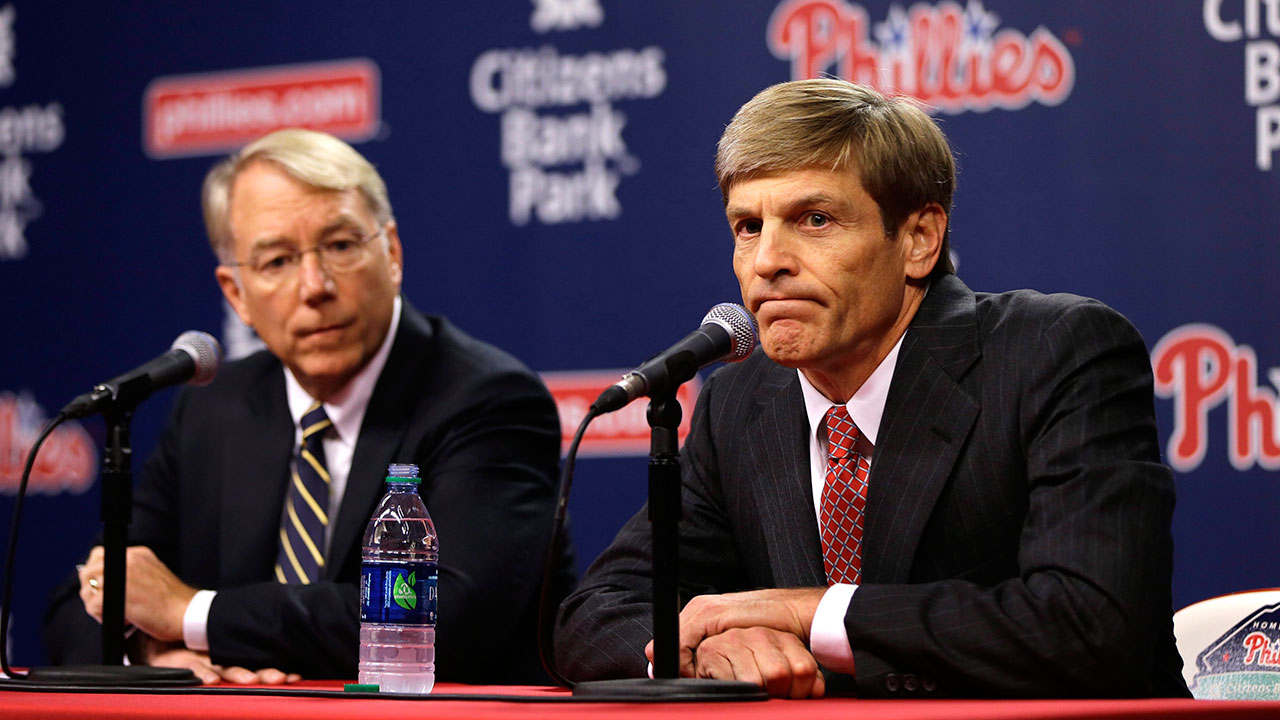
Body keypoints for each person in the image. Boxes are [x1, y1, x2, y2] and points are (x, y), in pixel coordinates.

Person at [554, 79, 1188, 699]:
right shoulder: (741, 404)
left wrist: (816, 615)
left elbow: (1093, 625)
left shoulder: (1052, 353)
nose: (768, 260)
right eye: (748, 226)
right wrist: (699, 647)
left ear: (918, 240)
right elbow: (595, 615)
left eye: (816, 219)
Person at [44, 128, 575, 684]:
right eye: (277, 261)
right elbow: (79, 603)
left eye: (341, 246)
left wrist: (190, 614)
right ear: (235, 295)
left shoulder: (486, 399)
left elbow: (445, 624)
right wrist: (152, 655)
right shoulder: (215, 409)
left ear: (391, 253)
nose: (315, 286)